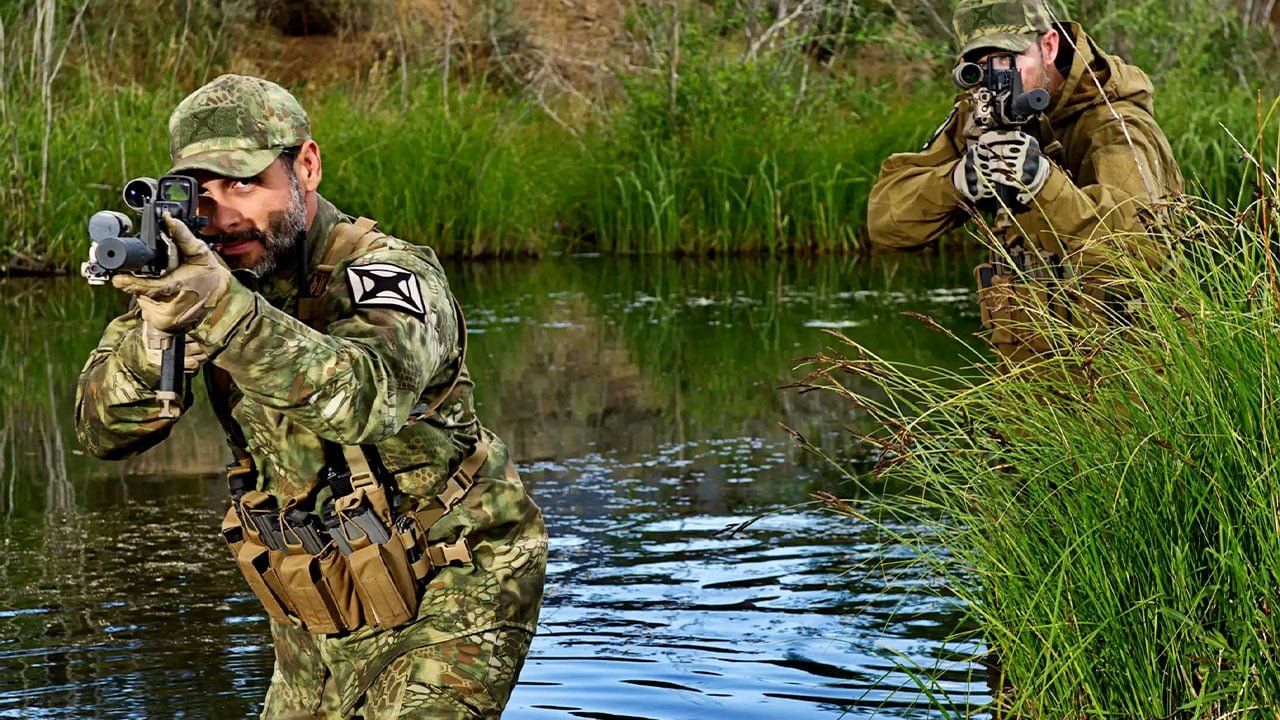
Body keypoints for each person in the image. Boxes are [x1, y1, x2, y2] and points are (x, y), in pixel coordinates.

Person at [74, 74, 547, 719]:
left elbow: (368, 400)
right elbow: (103, 433)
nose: (223, 213)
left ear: (307, 165)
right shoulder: (199, 275)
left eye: (244, 182)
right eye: (202, 191)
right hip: (319, 593)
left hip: (455, 575)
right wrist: (157, 336)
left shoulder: (387, 272)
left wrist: (222, 313)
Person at [867, 0, 1183, 363]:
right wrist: (956, 182)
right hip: (1026, 372)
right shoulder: (980, 116)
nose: (997, 79)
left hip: (1123, 370)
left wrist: (1043, 183)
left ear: (1049, 46)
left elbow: (1141, 255)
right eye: (980, 66)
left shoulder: (1113, 125)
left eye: (1009, 59)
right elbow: (885, 222)